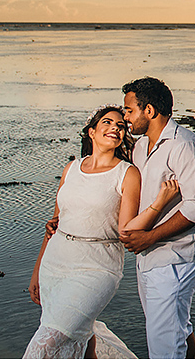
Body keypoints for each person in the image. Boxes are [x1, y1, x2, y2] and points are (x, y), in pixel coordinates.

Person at [25, 105, 182, 359]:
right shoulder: (71, 168)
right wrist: (36, 272)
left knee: (45, 344)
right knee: (83, 338)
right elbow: (54, 223)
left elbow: (126, 230)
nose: (116, 128)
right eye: (108, 123)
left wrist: (160, 202)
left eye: (121, 126)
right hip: (55, 264)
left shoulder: (127, 173)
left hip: (97, 268)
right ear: (91, 132)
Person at [119, 77, 195, 359]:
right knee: (176, 328)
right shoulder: (139, 147)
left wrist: (150, 237)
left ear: (149, 111)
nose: (125, 117)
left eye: (129, 110)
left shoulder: (186, 145)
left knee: (163, 343)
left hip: (176, 256)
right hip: (148, 256)